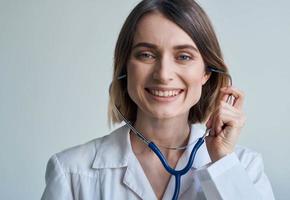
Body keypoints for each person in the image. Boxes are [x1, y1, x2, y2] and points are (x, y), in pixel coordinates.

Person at [41, 0, 275, 199]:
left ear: (206, 72)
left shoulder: (243, 166)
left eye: (183, 56)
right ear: (125, 68)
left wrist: (222, 162)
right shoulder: (71, 171)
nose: (163, 74)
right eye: (146, 55)